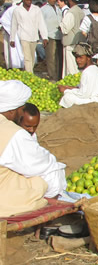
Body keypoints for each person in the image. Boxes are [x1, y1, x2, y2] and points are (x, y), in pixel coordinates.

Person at [0, 80, 67, 216]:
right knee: (54, 172)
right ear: (12, 110)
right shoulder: (14, 134)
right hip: (3, 199)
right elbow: (43, 164)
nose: (23, 110)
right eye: (22, 107)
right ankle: (46, 218)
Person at [56, 43, 98, 108]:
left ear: (88, 58)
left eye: (81, 58)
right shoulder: (94, 69)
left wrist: (65, 90)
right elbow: (83, 88)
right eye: (76, 57)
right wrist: (68, 87)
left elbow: (83, 94)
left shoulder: (87, 72)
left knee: (67, 97)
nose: (78, 60)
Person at [10, 0, 48, 73]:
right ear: (23, 0)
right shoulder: (17, 10)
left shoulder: (36, 9)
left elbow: (41, 23)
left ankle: (27, 71)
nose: (29, 2)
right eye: (27, 0)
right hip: (24, 36)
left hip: (34, 36)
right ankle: (29, 74)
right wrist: (12, 39)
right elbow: (14, 25)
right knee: (27, 58)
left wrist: (44, 37)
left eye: (30, 0)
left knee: (32, 57)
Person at [60, 0, 85, 77]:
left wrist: (60, 27)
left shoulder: (71, 13)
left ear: (69, 0)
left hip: (71, 43)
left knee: (70, 66)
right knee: (76, 65)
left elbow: (65, 29)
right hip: (79, 42)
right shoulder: (81, 12)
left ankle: (71, 83)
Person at [41, 0, 63, 80]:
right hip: (50, 36)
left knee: (59, 57)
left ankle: (59, 76)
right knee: (51, 58)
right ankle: (52, 76)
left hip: (59, 35)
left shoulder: (58, 9)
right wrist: (44, 37)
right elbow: (41, 23)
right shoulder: (43, 9)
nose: (54, 0)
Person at [1, 0, 25, 69]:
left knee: (16, 51)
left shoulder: (11, 9)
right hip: (16, 34)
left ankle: (16, 66)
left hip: (16, 33)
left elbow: (3, 21)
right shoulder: (19, 9)